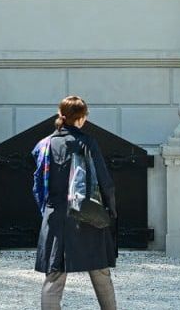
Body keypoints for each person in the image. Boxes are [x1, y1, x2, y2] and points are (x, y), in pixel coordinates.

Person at [32, 95, 118, 310]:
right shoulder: (86, 142)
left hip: (55, 216)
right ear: (81, 118)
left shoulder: (44, 145)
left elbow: (37, 185)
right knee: (100, 271)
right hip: (86, 213)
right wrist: (111, 209)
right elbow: (104, 181)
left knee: (54, 277)